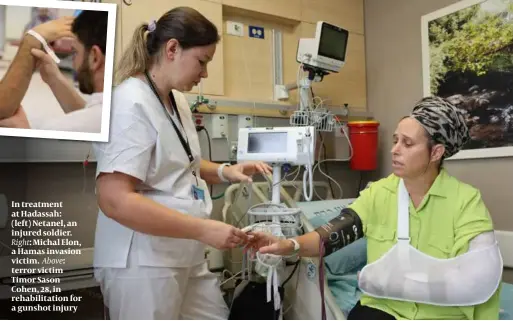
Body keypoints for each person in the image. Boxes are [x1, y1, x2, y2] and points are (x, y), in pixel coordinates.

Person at [247, 96, 503, 320]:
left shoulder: (466, 201)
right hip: (384, 308)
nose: (394, 150)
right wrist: (288, 245)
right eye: (395, 140)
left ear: (436, 152)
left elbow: (476, 279)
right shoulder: (379, 194)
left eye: (407, 143)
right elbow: (331, 235)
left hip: (441, 314)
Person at [92, 6, 272, 320]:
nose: (204, 74)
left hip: (184, 253)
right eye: (202, 62)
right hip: (142, 261)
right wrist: (203, 229)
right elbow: (114, 199)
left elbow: (177, 162)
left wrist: (223, 171)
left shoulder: (176, 100)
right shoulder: (129, 103)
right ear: (172, 48)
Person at [0, 10, 107, 133]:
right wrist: (54, 78)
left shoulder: (56, 129)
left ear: (95, 57)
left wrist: (24, 132)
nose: (73, 62)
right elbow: (89, 112)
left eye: (75, 52)